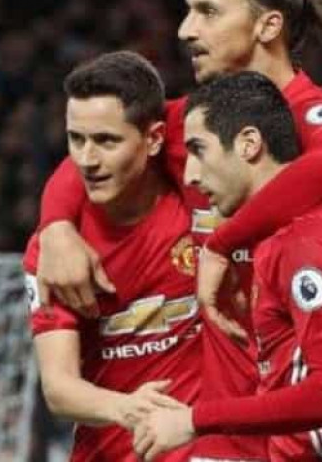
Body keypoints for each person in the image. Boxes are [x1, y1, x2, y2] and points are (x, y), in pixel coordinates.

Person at [35, 0, 322, 460]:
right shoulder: (199, 122)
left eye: (208, 12)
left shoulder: (313, 116)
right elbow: (109, 140)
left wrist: (223, 243)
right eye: (188, 11)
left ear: (268, 26)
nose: (185, 30)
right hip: (223, 429)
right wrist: (57, 228)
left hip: (302, 427)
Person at [134, 71, 322, 461]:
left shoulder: (303, 241)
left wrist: (194, 420)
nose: (190, 175)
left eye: (199, 150)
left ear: (249, 144)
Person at [23, 51, 200, 461]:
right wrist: (125, 408)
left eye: (106, 141)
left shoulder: (197, 204)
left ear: (154, 139)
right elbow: (59, 388)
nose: (87, 160)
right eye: (76, 139)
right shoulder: (54, 252)